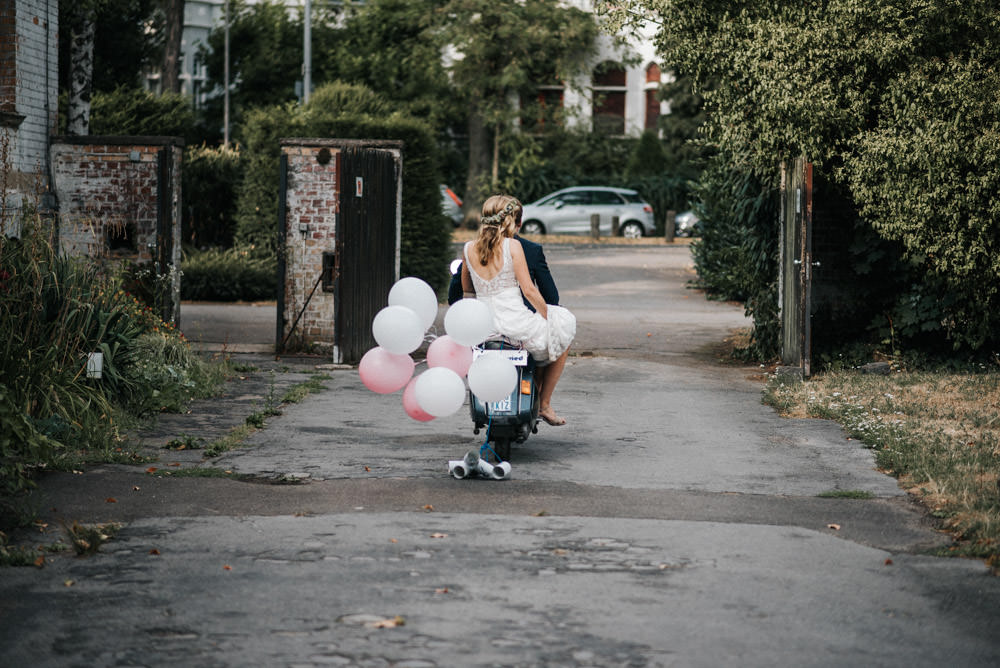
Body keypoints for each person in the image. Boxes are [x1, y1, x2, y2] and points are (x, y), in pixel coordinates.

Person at [460, 194, 576, 426]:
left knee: (552, 336)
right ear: (512, 221)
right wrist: (549, 317)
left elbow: (467, 294)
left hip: (485, 329)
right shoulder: (512, 246)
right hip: (516, 326)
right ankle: (544, 405)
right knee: (562, 337)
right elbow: (530, 291)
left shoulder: (468, 249)